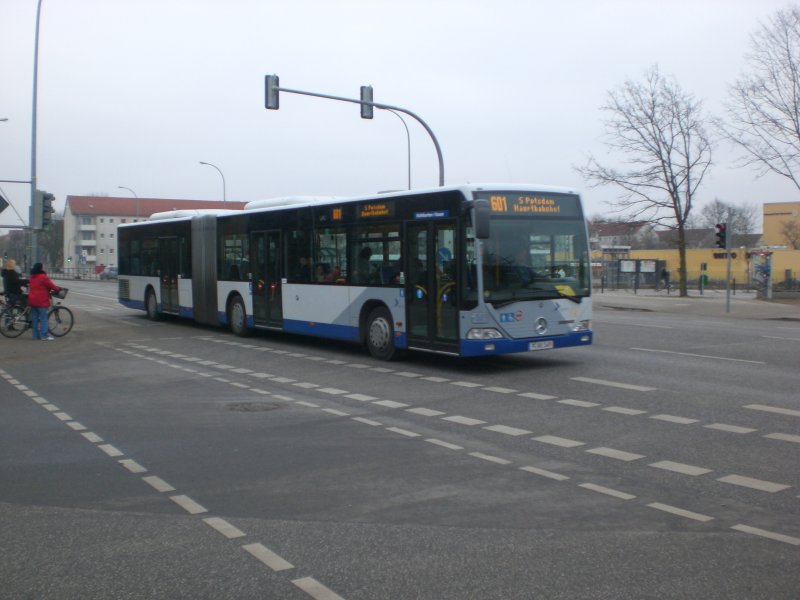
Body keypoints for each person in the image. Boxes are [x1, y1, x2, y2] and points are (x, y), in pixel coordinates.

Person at [27, 262, 61, 341]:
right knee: (43, 318)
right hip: (41, 300)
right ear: (40, 268)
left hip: (32, 300)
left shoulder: (32, 277)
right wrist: (57, 289)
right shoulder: (42, 277)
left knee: (35, 319)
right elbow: (51, 285)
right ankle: (44, 335)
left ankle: (35, 336)